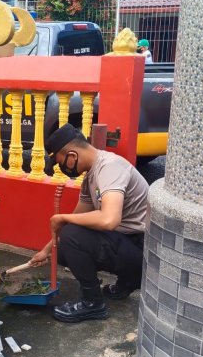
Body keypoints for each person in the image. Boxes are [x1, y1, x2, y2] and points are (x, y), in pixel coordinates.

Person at [29, 124, 149, 323]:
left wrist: (63, 218)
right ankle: (128, 281)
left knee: (71, 237)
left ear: (72, 155)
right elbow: (78, 216)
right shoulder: (91, 176)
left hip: (144, 250)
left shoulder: (110, 167)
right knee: (63, 246)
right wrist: (46, 251)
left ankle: (93, 303)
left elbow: (109, 220)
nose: (62, 169)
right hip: (128, 244)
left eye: (60, 163)